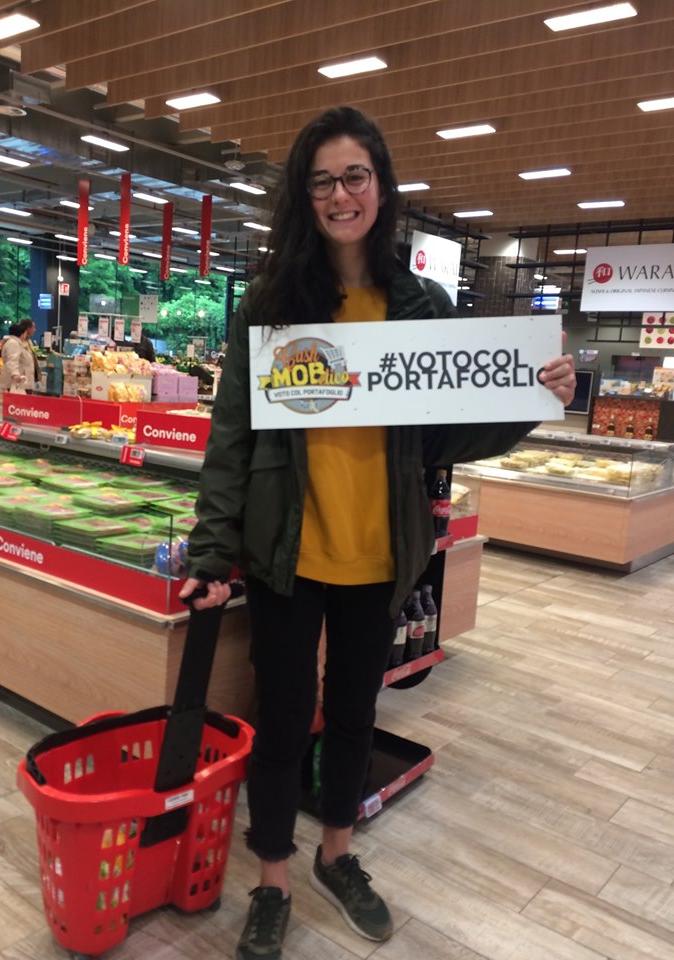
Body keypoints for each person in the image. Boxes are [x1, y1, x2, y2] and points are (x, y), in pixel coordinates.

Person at [179, 106, 575, 960]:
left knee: (355, 712)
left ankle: (337, 855)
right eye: (322, 180)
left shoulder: (419, 304)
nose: (340, 194)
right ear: (304, 194)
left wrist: (535, 399)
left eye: (354, 176)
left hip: (381, 553)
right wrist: (211, 552)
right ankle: (273, 877)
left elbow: (452, 430)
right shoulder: (273, 303)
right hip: (288, 554)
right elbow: (231, 439)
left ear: (382, 186)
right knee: (284, 720)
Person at [0, 319, 39, 393]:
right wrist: (15, 375)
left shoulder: (24, 342)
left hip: (23, 381)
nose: (35, 330)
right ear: (22, 333)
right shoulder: (13, 343)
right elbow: (12, 360)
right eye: (33, 327)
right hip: (16, 383)